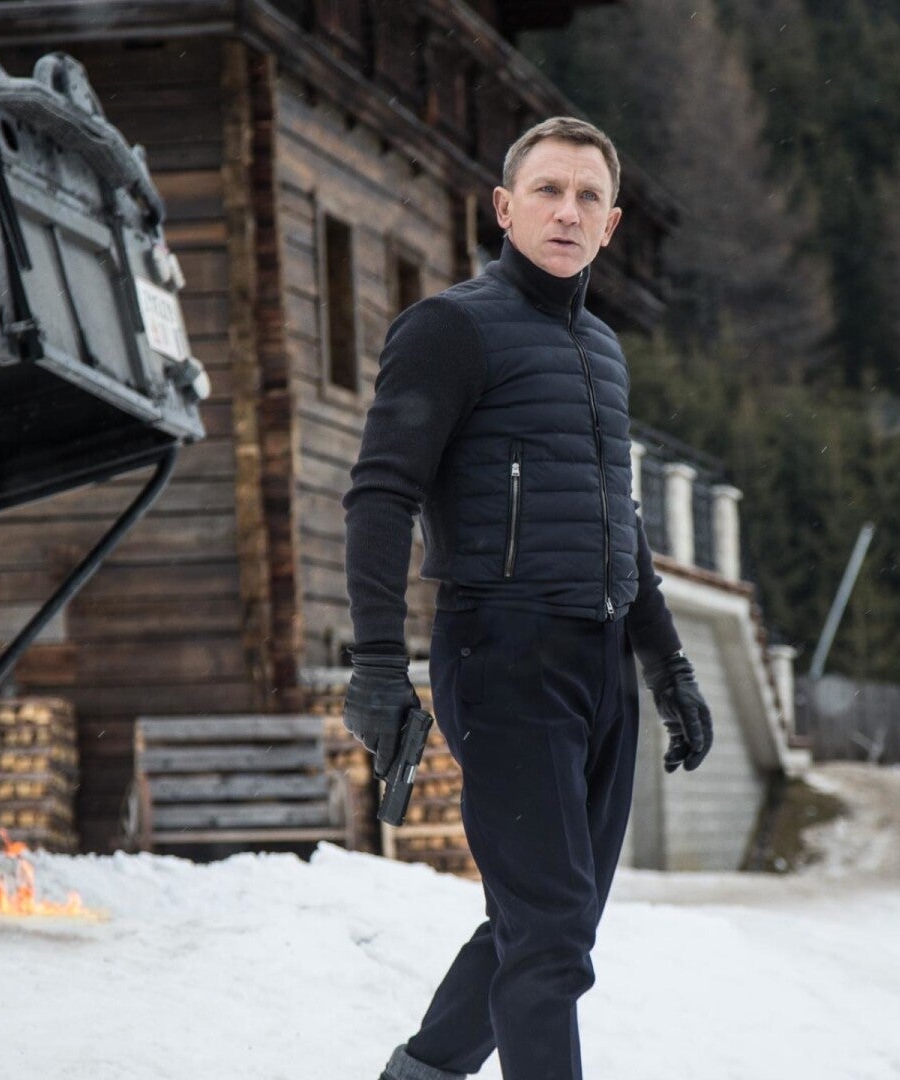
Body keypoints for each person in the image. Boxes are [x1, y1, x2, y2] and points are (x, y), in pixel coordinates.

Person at [341, 116, 715, 1080]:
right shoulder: (450, 329)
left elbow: (617, 514)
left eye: (589, 197)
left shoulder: (601, 349)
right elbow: (380, 493)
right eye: (548, 190)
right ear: (504, 209)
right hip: (502, 655)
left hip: (600, 664)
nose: (568, 211)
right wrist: (377, 665)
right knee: (549, 938)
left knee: (548, 922)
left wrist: (667, 664)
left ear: (611, 224)